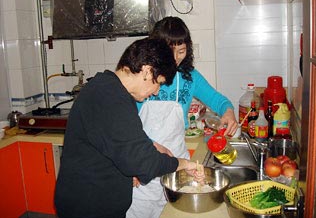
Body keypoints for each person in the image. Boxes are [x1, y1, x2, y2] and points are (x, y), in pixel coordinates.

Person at [54, 38, 205, 218]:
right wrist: (183, 164)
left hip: (96, 203)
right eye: (159, 82)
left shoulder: (112, 91)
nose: (157, 91)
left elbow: (122, 146)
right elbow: (144, 162)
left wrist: (130, 167)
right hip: (88, 207)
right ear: (147, 71)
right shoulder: (110, 97)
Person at [126, 16, 238, 218]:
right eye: (170, 51)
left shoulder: (189, 77)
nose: (175, 58)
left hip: (177, 164)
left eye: (181, 51)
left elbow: (217, 99)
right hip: (144, 159)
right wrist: (135, 159)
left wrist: (228, 112)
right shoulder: (142, 78)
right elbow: (127, 125)